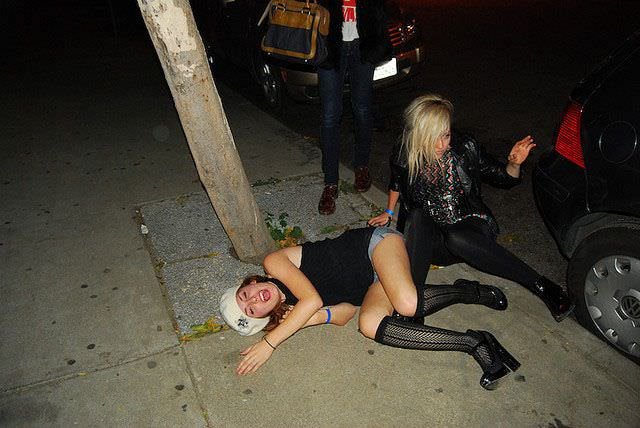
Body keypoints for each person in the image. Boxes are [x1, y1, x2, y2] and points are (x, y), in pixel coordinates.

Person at [219, 227, 520, 390]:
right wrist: (307, 320)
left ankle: (469, 291)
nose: (254, 299)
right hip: (373, 284)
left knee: (407, 304)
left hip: (374, 246)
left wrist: (270, 343)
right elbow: (345, 313)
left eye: (246, 294)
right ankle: (474, 341)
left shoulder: (273, 263)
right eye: (252, 309)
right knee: (369, 325)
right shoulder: (292, 311)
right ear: (264, 317)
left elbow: (312, 299)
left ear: (252, 281)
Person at [368, 94, 574, 322]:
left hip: (471, 229)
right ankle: (414, 302)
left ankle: (543, 287)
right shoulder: (404, 152)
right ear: (418, 135)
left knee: (456, 237)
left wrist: (513, 164)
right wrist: (388, 212)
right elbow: (397, 182)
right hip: (434, 239)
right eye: (433, 137)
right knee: (417, 216)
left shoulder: (465, 147)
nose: (441, 145)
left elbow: (501, 176)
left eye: (446, 135)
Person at [316, 0, 392, 215]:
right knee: (330, 116)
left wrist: (378, 40)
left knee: (362, 109)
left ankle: (362, 166)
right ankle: (330, 183)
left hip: (363, 43)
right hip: (329, 43)